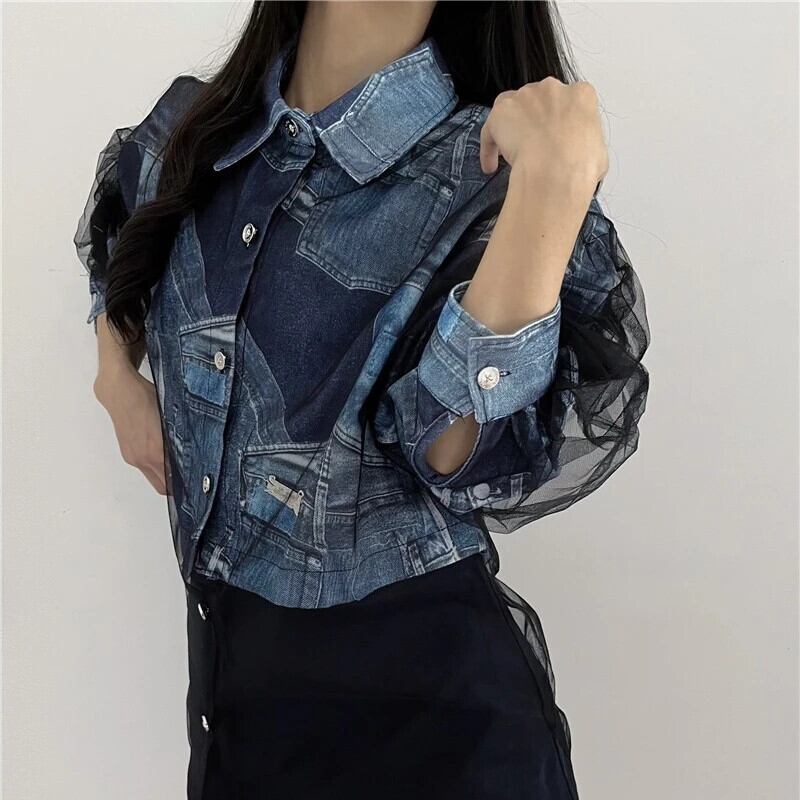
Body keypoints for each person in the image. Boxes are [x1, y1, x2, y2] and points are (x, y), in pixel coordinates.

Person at [74, 2, 650, 798]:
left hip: (439, 751)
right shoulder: (197, 132)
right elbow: (120, 228)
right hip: (236, 729)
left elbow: (453, 451)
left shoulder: (491, 172)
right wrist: (115, 378)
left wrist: (553, 189)